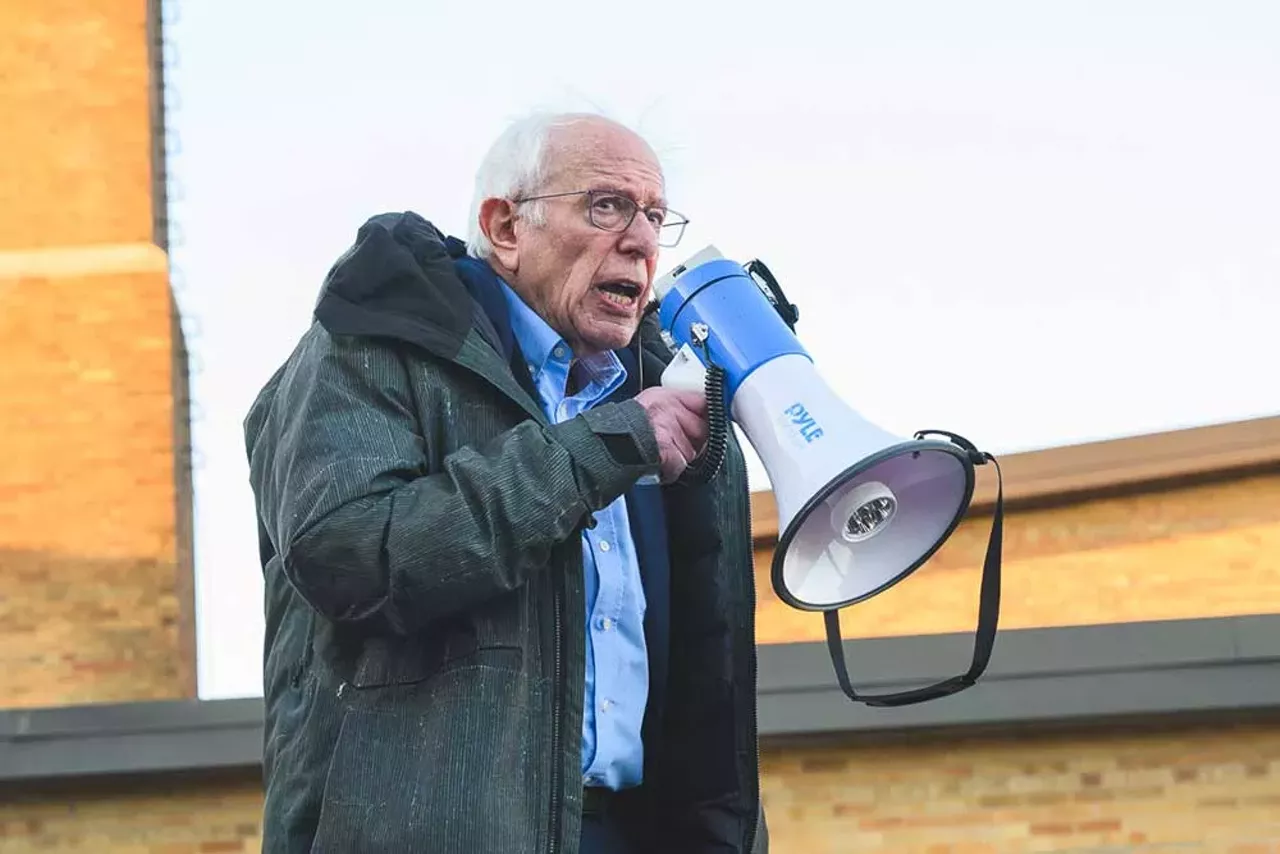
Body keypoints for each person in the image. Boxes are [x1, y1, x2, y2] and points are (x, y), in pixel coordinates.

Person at [243, 111, 768, 853]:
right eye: (607, 205)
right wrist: (602, 449)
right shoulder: (375, 346)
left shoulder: (654, 398)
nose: (642, 239)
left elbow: (703, 681)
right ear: (505, 226)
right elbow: (355, 557)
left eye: (655, 216)